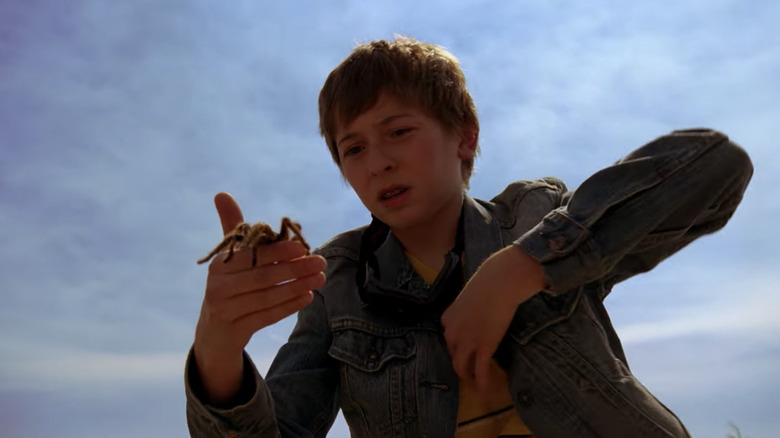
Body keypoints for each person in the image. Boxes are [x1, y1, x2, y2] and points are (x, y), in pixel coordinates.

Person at [184, 37, 753, 437]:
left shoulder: (532, 215)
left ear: (464, 138)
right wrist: (217, 349)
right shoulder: (339, 283)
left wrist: (517, 271)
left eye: (399, 131)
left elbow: (716, 167)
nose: (377, 162)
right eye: (352, 149)